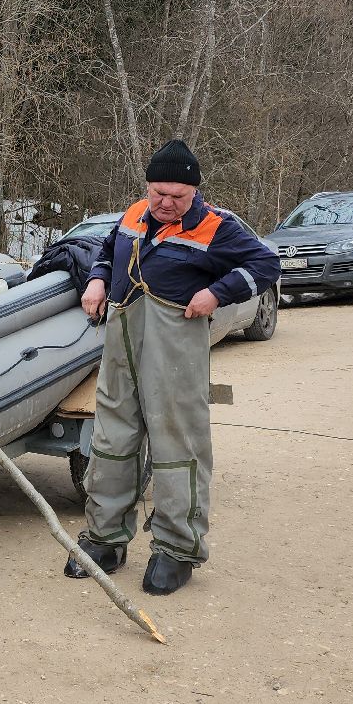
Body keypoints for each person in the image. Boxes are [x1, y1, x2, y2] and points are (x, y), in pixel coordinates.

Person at [65, 139, 280, 595]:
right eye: (158, 192)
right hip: (121, 348)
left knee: (176, 447)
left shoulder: (215, 227)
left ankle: (177, 549)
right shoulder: (131, 215)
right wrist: (100, 280)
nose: (164, 203)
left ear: (194, 193)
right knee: (110, 442)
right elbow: (106, 251)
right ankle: (105, 539)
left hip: (175, 354)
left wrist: (216, 293)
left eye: (176, 196)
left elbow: (266, 263)